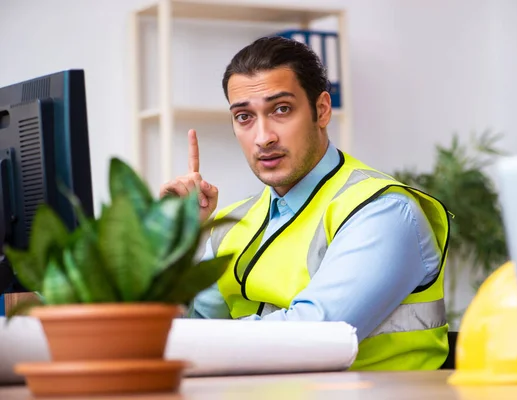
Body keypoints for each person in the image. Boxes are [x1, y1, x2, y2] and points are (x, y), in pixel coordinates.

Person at [159, 36, 451, 371]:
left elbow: (313, 335)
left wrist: (188, 340)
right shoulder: (229, 224)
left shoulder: (382, 211)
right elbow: (181, 334)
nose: (263, 136)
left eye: (281, 110)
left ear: (321, 110)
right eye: (244, 117)